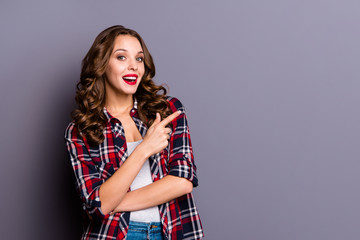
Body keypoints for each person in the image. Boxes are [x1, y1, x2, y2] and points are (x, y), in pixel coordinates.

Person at [64, 25, 204, 240]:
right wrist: (143, 150)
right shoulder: (81, 130)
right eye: (121, 57)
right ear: (102, 64)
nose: (133, 67)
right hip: (113, 235)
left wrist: (109, 203)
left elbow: (182, 181)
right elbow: (96, 205)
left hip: (170, 232)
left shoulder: (167, 111)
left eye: (139, 59)